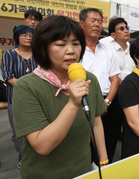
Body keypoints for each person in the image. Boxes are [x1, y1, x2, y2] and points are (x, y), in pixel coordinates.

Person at [12, 16, 108, 178]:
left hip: (84, 171)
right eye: (61, 44)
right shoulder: (26, 86)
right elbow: (42, 146)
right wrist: (72, 104)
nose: (71, 50)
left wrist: (104, 162)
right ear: (43, 48)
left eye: (76, 44)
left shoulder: (88, 78)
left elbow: (96, 123)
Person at [79, 8, 120, 164]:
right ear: (82, 23)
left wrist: (107, 102)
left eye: (99, 21)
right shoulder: (76, 49)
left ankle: (105, 168)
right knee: (85, 145)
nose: (97, 24)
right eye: (93, 20)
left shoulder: (109, 50)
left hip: (108, 101)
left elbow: (115, 79)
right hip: (83, 101)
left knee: (109, 142)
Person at [1, 25, 37, 169]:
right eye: (24, 35)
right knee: (18, 128)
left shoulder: (38, 54)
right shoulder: (9, 54)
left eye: (30, 35)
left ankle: (37, 152)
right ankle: (22, 153)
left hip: (36, 97)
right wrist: (29, 88)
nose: (28, 38)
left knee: (37, 124)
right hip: (15, 97)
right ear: (17, 37)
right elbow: (8, 76)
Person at [108, 17, 135, 83]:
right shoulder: (109, 50)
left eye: (127, 28)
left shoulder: (132, 48)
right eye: (121, 29)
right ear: (113, 35)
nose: (126, 31)